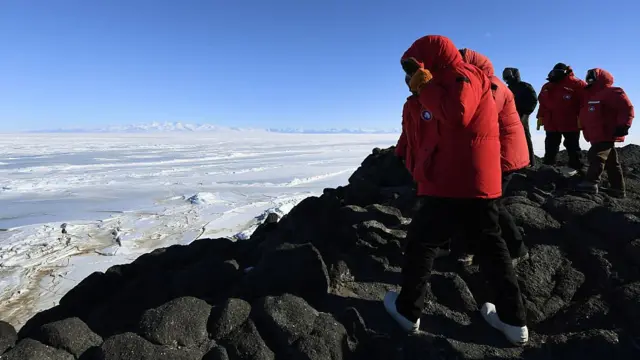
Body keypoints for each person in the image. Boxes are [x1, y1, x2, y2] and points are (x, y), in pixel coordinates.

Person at [383, 35, 528, 346]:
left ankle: (408, 311)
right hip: (473, 181)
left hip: (451, 182)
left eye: (415, 65)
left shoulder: (464, 76)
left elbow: (456, 115)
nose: (412, 75)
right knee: (490, 247)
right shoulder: (458, 81)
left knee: (422, 244)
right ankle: (514, 322)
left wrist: (424, 86)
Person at [459, 48, 529, 264]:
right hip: (494, 153)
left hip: (503, 155)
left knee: (489, 204)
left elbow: (475, 116)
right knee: (476, 202)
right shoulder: (483, 83)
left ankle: (517, 249)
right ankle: (472, 247)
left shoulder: (492, 86)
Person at [576, 68, 634, 197]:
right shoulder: (588, 94)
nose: (589, 78)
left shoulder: (612, 92)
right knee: (612, 163)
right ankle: (618, 189)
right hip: (594, 134)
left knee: (596, 156)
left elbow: (627, 108)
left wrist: (624, 125)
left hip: (606, 132)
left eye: (592, 75)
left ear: (601, 77)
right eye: (588, 75)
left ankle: (591, 183)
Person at [536, 63, 587, 170]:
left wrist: (583, 118)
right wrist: (540, 116)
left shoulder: (577, 84)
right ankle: (548, 167)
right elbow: (542, 103)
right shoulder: (548, 86)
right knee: (550, 145)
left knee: (572, 145)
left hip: (570, 121)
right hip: (551, 122)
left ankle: (577, 167)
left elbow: (585, 102)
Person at [502, 67, 538, 166]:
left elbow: (533, 100)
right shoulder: (507, 89)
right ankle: (516, 163)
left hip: (522, 116)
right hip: (510, 118)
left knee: (525, 138)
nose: (507, 79)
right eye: (505, 78)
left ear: (514, 75)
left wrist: (526, 114)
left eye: (508, 76)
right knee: (511, 140)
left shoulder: (525, 86)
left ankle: (531, 162)